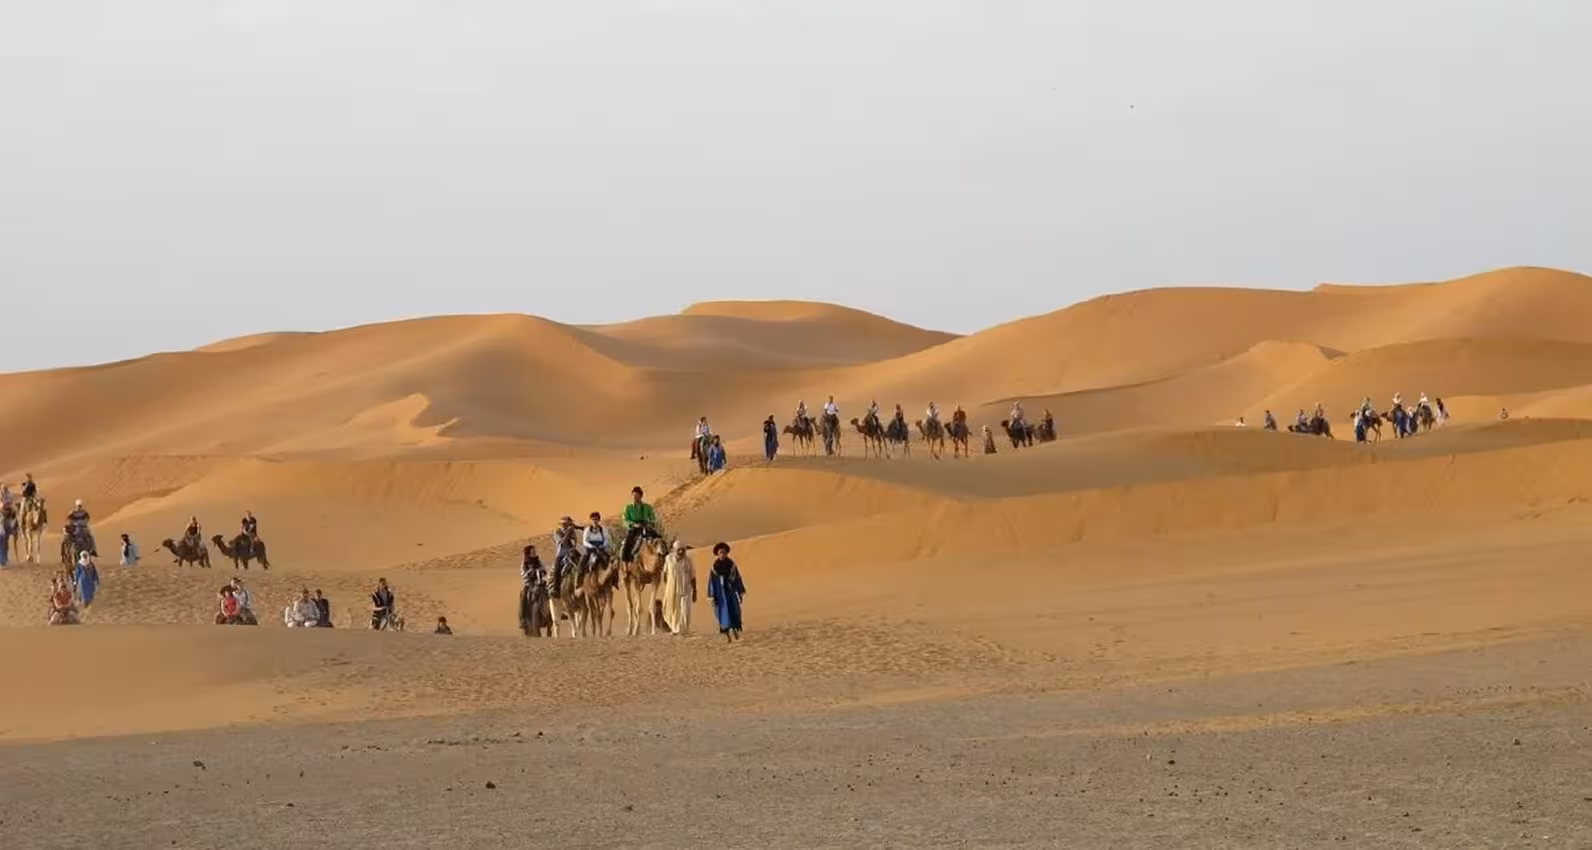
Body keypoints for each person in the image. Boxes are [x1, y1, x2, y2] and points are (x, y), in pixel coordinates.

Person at [706, 542, 747, 642]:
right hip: (720, 595)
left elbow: (737, 578)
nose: (722, 554)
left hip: (730, 593)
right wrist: (712, 596)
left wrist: (740, 591)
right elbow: (711, 582)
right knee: (723, 615)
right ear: (718, 554)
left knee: (733, 612)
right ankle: (728, 636)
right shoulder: (714, 567)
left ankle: (735, 632)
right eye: (720, 552)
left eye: (724, 552)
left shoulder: (731, 564)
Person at [661, 539, 697, 635]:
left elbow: (693, 576)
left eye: (683, 550)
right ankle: (675, 629)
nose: (681, 552)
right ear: (674, 550)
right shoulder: (668, 559)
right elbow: (665, 573)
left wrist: (695, 591)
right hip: (672, 590)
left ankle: (684, 630)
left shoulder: (689, 561)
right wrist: (668, 586)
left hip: (686, 589)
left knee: (685, 610)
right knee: (673, 609)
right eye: (679, 550)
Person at [620, 486, 659, 563]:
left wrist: (651, 523)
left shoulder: (647, 507)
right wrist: (633, 524)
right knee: (627, 545)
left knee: (659, 539)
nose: (635, 497)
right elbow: (625, 520)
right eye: (633, 496)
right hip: (634, 528)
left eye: (637, 496)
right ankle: (626, 566)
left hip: (646, 526)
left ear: (641, 496)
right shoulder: (628, 507)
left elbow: (653, 518)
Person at [519, 544, 549, 636]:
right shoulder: (524, 564)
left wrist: (543, 577)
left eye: (535, 552)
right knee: (523, 595)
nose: (534, 553)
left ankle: (556, 614)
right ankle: (522, 619)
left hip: (541, 584)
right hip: (530, 585)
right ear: (528, 553)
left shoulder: (539, 562)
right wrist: (530, 573)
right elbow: (523, 574)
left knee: (551, 593)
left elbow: (545, 571)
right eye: (532, 552)